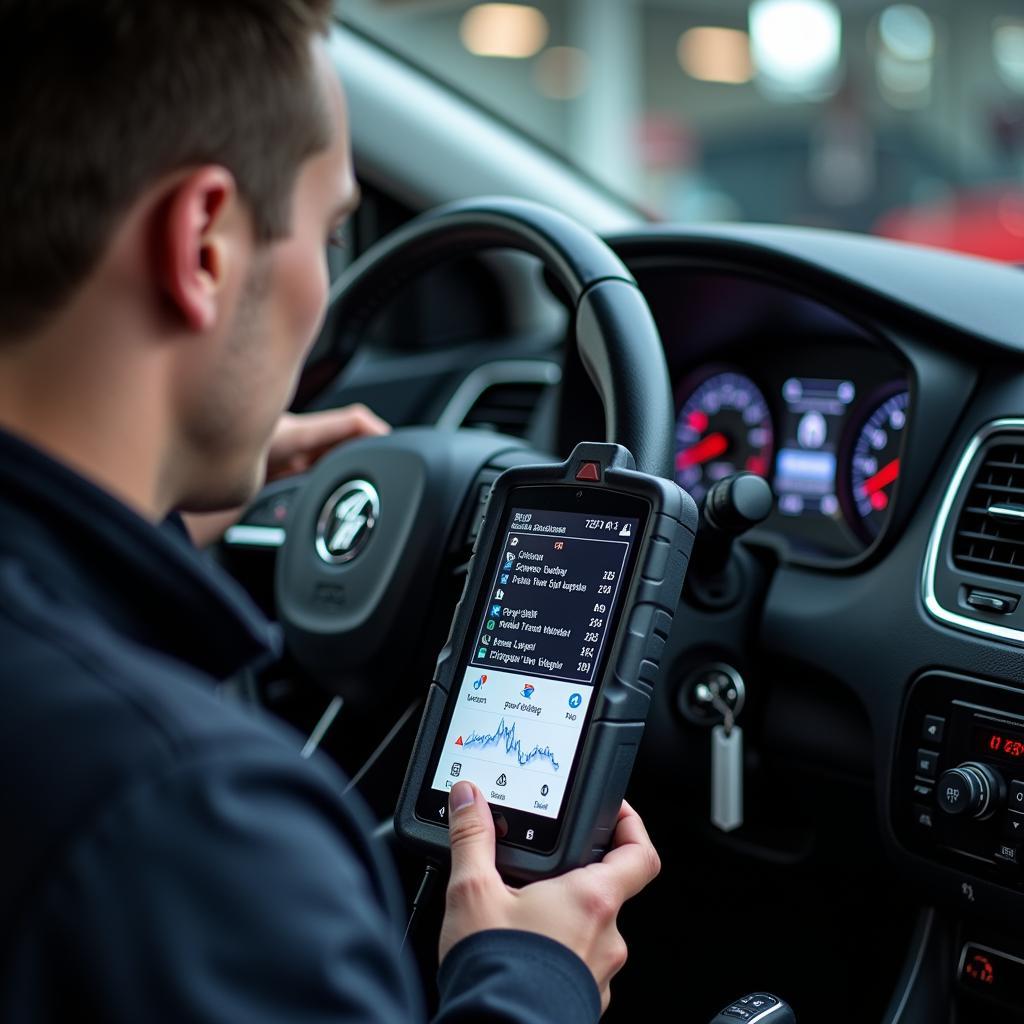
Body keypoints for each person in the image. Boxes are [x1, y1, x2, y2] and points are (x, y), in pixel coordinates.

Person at [0, 2, 662, 1021]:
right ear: (205, 245)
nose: (324, 277)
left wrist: (159, 484)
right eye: (329, 229)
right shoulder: (192, 822)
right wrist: (531, 980)